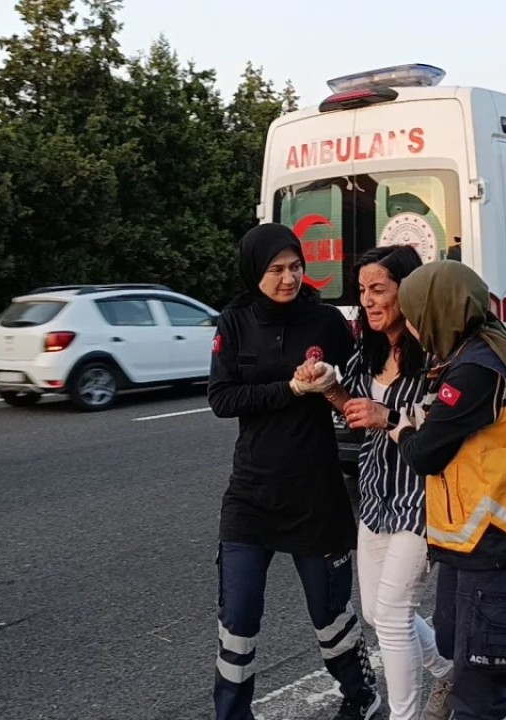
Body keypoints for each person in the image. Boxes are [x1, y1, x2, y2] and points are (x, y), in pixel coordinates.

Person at [208, 223, 379, 720]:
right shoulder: (234, 321)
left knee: (330, 619)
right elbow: (222, 398)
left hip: (315, 492)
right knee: (237, 620)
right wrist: (292, 389)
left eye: (296, 267)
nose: (289, 278)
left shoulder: (324, 320)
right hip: (251, 494)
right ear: (254, 270)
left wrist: (333, 380)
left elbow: (368, 373)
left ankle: (361, 693)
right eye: (277, 269)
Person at [391, 260, 506, 720]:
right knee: (459, 645)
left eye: (413, 314)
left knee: (475, 689)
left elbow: (425, 454)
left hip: (501, 544)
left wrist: (398, 428)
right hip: (471, 540)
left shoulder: (476, 370)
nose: (410, 325)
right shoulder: (480, 345)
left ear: (439, 311)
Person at [317, 245, 456, 720]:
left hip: (421, 495)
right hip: (376, 495)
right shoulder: (369, 349)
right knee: (376, 613)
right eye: (362, 291)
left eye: (379, 289)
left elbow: (443, 423)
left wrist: (389, 414)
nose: (369, 301)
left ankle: (404, 716)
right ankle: (450, 672)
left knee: (393, 614)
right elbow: (357, 411)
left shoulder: (438, 352)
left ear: (408, 291)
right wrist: (329, 389)